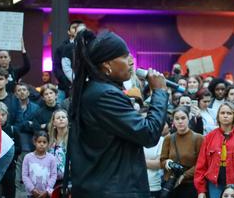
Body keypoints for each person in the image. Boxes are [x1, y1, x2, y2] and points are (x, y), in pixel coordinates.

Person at [68, 29, 169, 196]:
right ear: (107, 64)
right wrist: (159, 92)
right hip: (114, 190)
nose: (131, 61)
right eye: (124, 56)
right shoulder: (104, 95)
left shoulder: (97, 90)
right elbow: (149, 133)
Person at [195, 101, 234, 197]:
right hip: (214, 184)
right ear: (218, 116)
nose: (225, 116)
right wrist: (201, 190)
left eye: (229, 113)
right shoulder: (209, 137)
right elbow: (201, 165)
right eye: (222, 113)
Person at [161, 106, 204, 197]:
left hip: (189, 185)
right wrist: (167, 163)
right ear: (173, 121)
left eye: (183, 118)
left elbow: (201, 164)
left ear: (189, 119)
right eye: (177, 119)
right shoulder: (169, 138)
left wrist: (184, 175)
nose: (180, 121)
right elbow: (161, 161)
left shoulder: (198, 138)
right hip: (171, 184)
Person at [22, 130, 56, 197]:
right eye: (39, 142)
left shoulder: (51, 158)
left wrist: (47, 190)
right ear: (34, 142)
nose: (42, 144)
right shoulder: (28, 157)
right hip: (31, 194)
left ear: (48, 143)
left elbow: (54, 175)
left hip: (46, 194)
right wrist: (32, 189)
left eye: (44, 142)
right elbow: (25, 175)